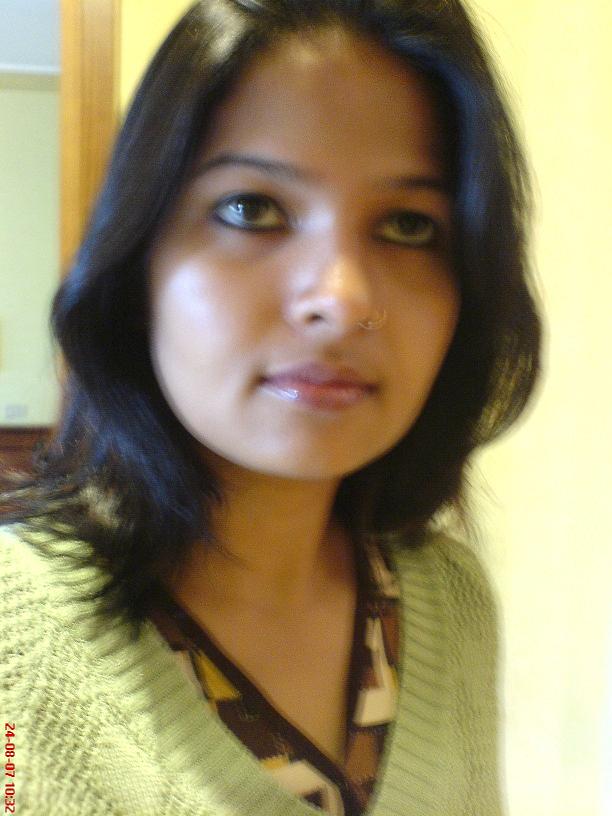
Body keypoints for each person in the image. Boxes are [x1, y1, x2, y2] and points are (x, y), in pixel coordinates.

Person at [0, 1, 541, 814]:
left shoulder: (451, 599)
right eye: (251, 208)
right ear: (139, 263)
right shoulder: (13, 648)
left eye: (407, 225)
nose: (341, 300)